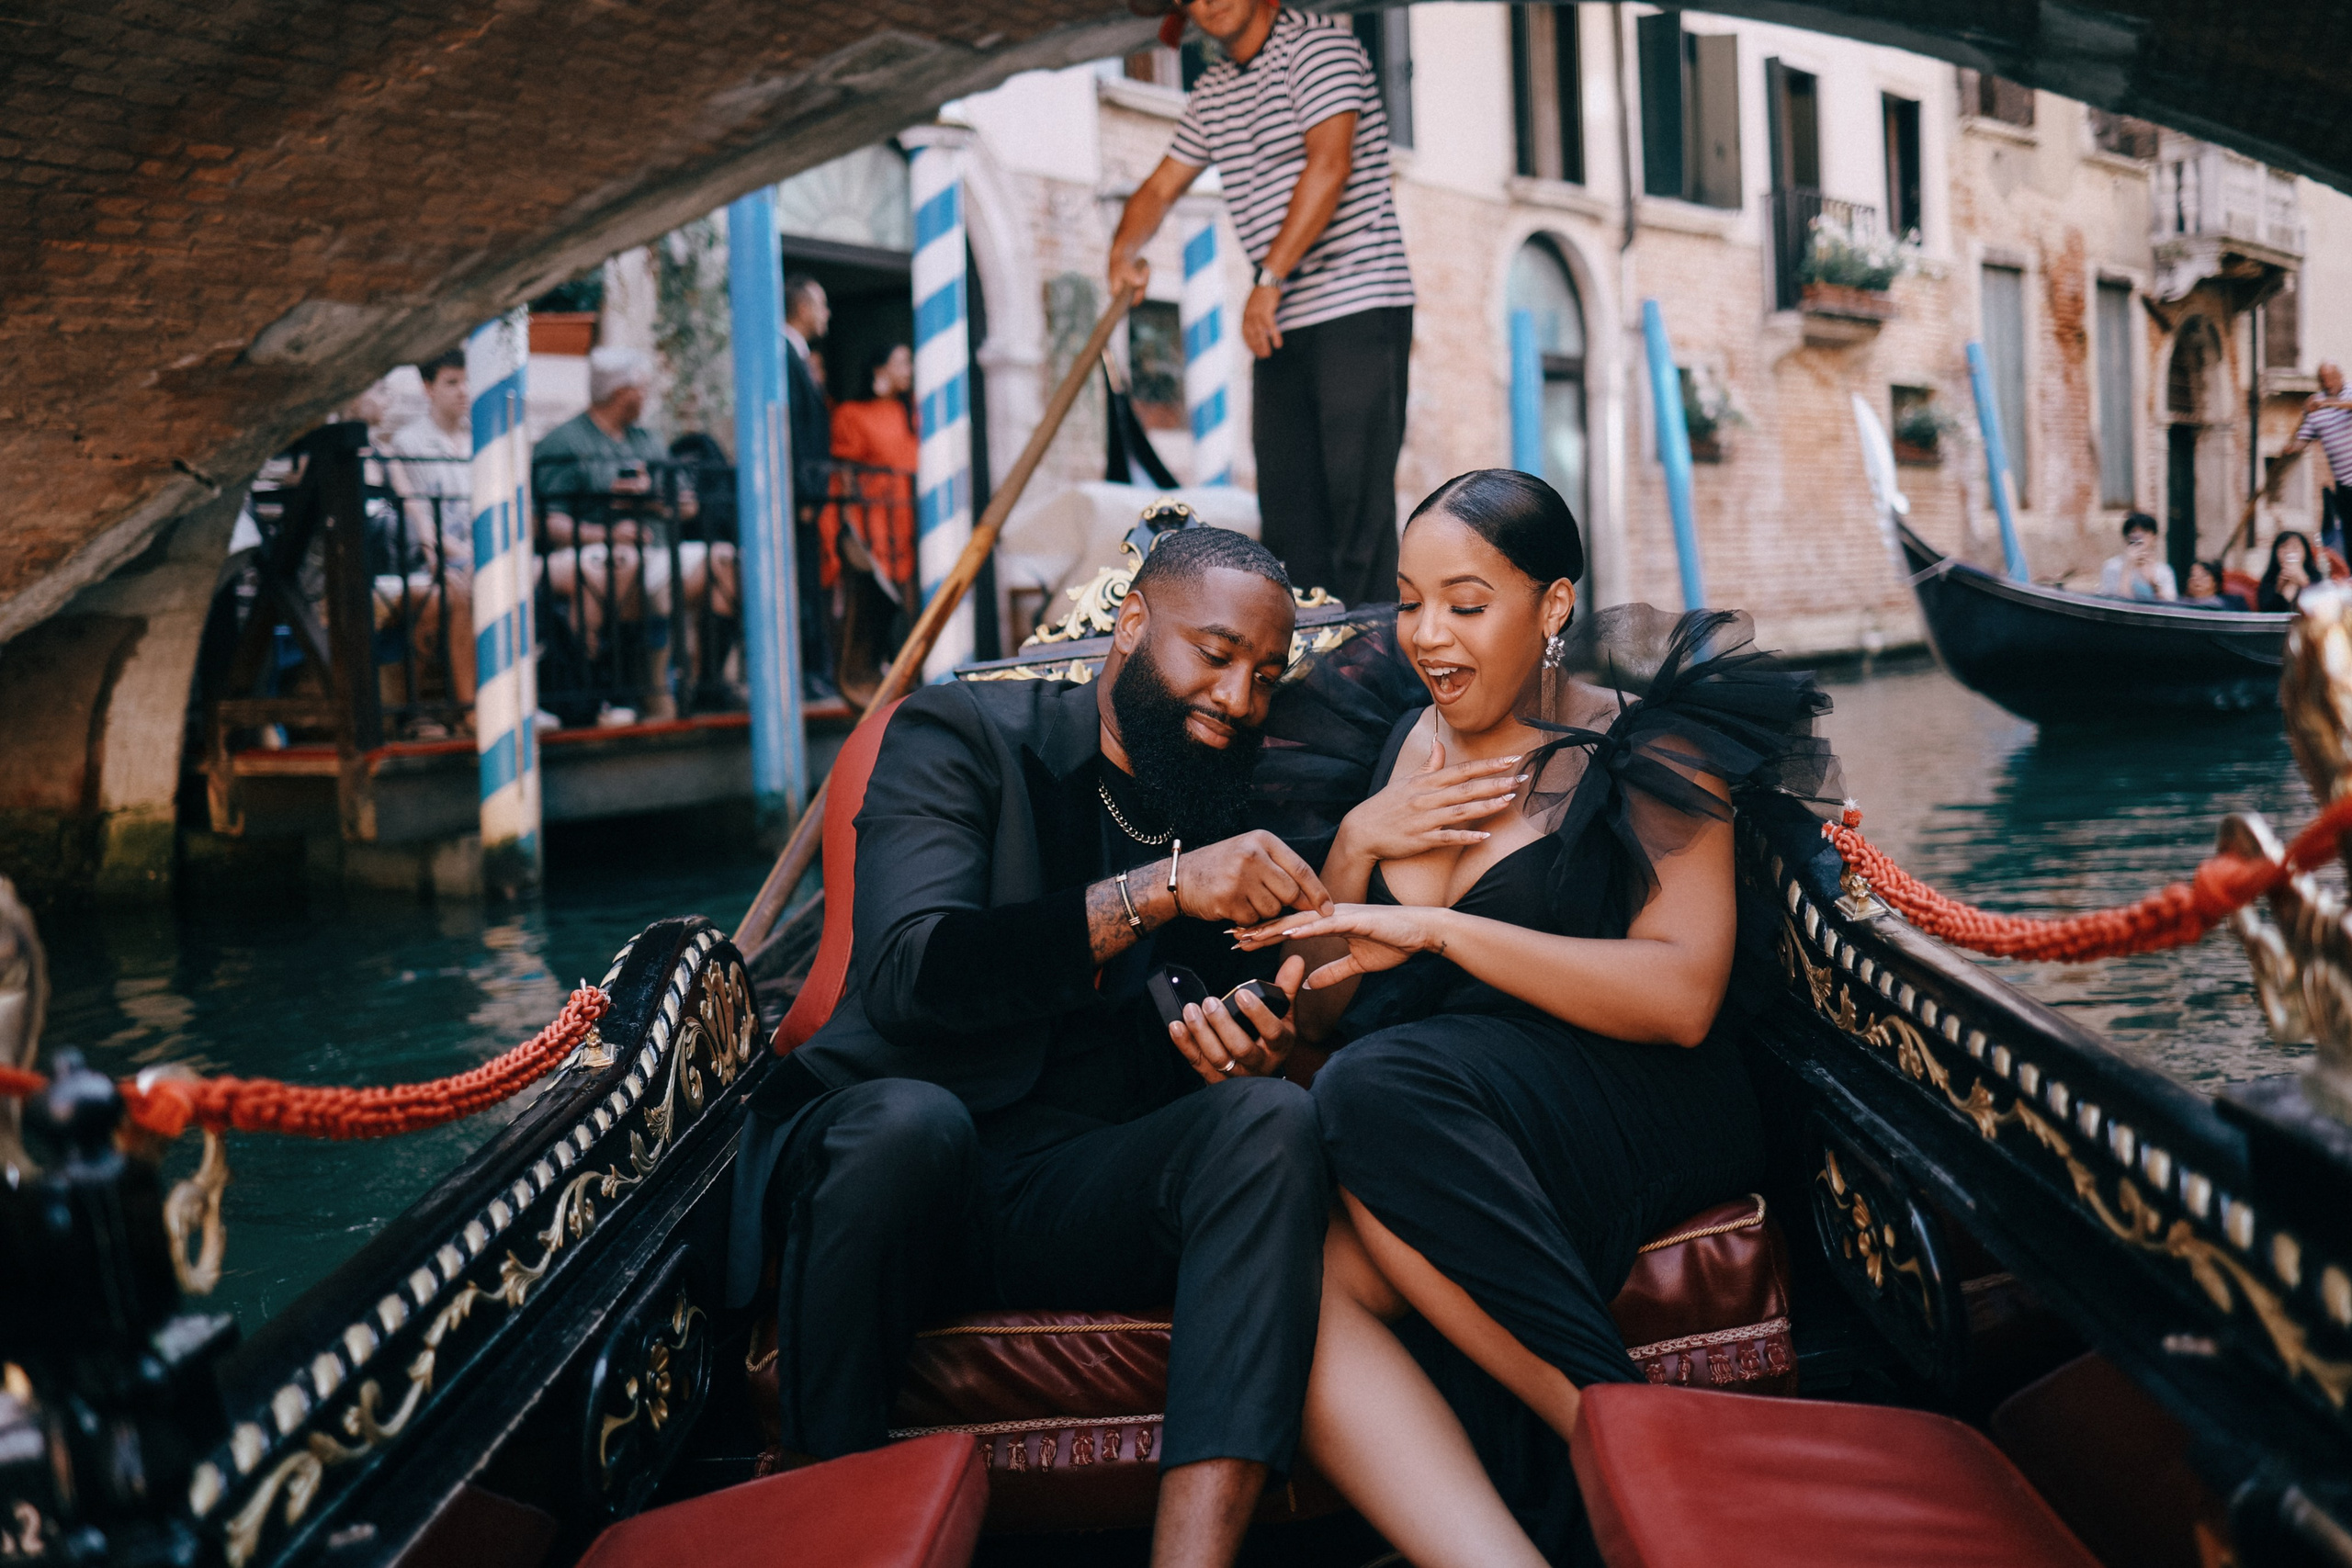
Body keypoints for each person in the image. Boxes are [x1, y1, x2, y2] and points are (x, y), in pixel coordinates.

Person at [1221, 469, 1834, 1565]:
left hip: (1632, 1092)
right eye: (1410, 601)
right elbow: (1320, 1006)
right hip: (1443, 1107)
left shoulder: (1651, 747)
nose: (1427, 634)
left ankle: (1635, 1445)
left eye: (1466, 603)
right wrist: (1356, 845)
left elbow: (1684, 998)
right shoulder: (1401, 741)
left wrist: (1442, 932)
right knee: (1290, 1267)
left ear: (1551, 608)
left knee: (1374, 1085)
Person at [727, 527, 1340, 1568]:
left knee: (1269, 1120)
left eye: (1264, 675)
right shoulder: (958, 734)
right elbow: (911, 972)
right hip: (894, 1157)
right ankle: (837, 1527)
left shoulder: (1224, 802)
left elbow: (1202, 1034)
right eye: (1216, 654)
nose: (1239, 699)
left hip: (1071, 1183)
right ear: (1133, 625)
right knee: (910, 1126)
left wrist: (1242, 1046)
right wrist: (1159, 891)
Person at [1108, 0, 1415, 609]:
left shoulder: (1319, 48)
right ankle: (1311, 676)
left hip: (1357, 303)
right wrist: (1122, 250)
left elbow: (1329, 166)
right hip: (1280, 321)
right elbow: (1162, 185)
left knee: (1359, 513)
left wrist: (1269, 277)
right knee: (1289, 515)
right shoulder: (1217, 86)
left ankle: (1378, 681)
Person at [535, 347, 738, 721]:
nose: (646, 396)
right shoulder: (564, 443)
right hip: (592, 552)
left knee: (724, 560)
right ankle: (605, 690)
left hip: (656, 553)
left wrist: (652, 498)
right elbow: (545, 523)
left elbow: (688, 507)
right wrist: (606, 532)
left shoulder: (649, 441)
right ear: (619, 392)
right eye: (641, 388)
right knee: (620, 562)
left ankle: (709, 685)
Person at [379, 350, 478, 717]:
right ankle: (464, 708)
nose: (463, 391)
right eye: (451, 382)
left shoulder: (480, 440)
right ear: (428, 388)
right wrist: (464, 554)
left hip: (474, 553)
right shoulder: (410, 443)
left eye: (467, 381)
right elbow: (422, 518)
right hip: (431, 558)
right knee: (459, 593)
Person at [825, 343, 921, 601]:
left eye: (909, 363)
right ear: (879, 370)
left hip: (915, 515)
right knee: (877, 596)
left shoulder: (914, 408)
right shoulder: (852, 414)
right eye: (900, 363)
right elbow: (844, 473)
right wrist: (848, 524)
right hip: (876, 518)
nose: (908, 371)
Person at [785, 275, 840, 698]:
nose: (827, 315)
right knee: (802, 584)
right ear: (802, 308)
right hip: (799, 499)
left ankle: (815, 672)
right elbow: (796, 433)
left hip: (807, 497)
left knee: (811, 582)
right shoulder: (785, 356)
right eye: (820, 305)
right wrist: (806, 494)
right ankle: (806, 675)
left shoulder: (798, 355)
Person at [2280, 361, 2352, 560]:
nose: (2328, 384)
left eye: (2331, 379)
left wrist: (2328, 403)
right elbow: (2303, 438)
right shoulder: (2315, 408)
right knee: (2349, 532)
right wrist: (2291, 448)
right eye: (2323, 380)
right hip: (2344, 483)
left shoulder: (2348, 393)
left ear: (2340, 377)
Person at [2098, 513, 2177, 602]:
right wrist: (2128, 566)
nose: (2139, 536)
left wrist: (2152, 582)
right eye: (2133, 531)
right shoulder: (2112, 566)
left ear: (2154, 537)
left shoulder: (2164, 570)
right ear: (2126, 537)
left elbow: (2169, 605)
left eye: (2145, 531)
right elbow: (2116, 603)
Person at [2259, 529, 2322, 613]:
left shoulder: (2315, 576)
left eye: (2295, 548)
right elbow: (2266, 612)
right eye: (2284, 547)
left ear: (2305, 552)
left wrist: (2304, 582)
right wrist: (2279, 589)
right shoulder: (2270, 578)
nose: (2289, 552)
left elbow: (2323, 607)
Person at [2180, 559, 2249, 611]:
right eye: (2192, 575)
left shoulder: (2235, 603)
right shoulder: (2178, 606)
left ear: (2215, 582)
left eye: (2204, 575)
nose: (2196, 579)